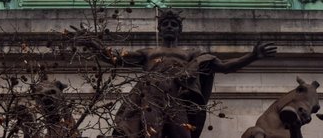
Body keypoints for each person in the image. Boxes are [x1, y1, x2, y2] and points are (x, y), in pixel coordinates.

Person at [102, 9, 276, 138]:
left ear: (179, 30)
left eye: (174, 24)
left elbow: (224, 67)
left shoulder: (191, 55)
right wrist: (94, 45)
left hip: (177, 101)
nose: (169, 27)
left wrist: (252, 56)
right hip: (151, 99)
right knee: (150, 134)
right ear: (160, 29)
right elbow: (115, 60)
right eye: (165, 24)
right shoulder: (147, 52)